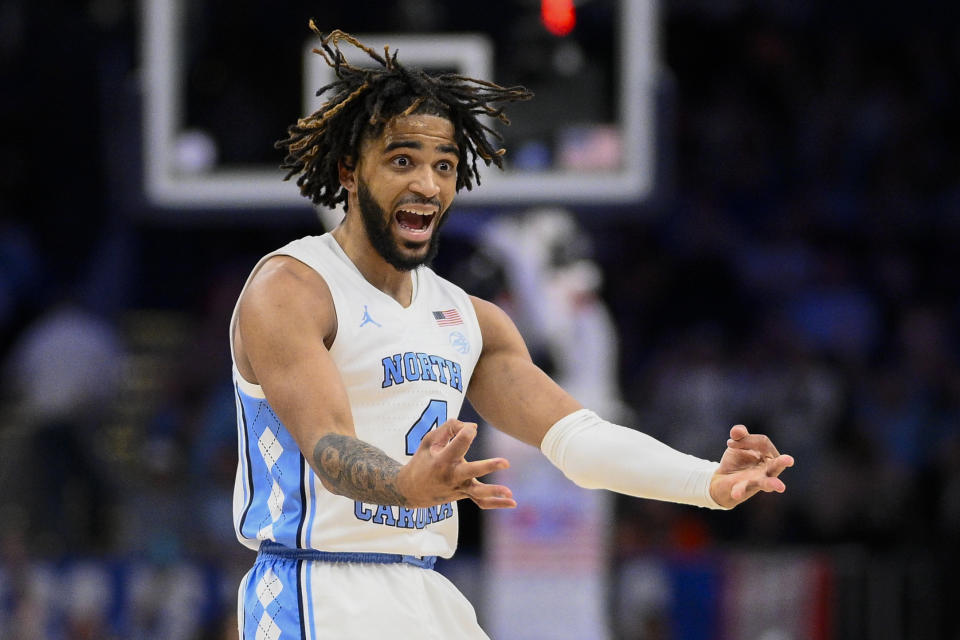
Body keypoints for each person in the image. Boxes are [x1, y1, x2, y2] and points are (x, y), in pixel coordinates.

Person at [230, 25, 794, 639]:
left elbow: (578, 440)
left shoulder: (470, 319)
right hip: (319, 588)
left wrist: (705, 481)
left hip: (426, 589)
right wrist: (406, 483)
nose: (427, 184)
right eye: (402, 161)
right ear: (347, 170)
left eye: (444, 166)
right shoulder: (291, 288)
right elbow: (330, 448)